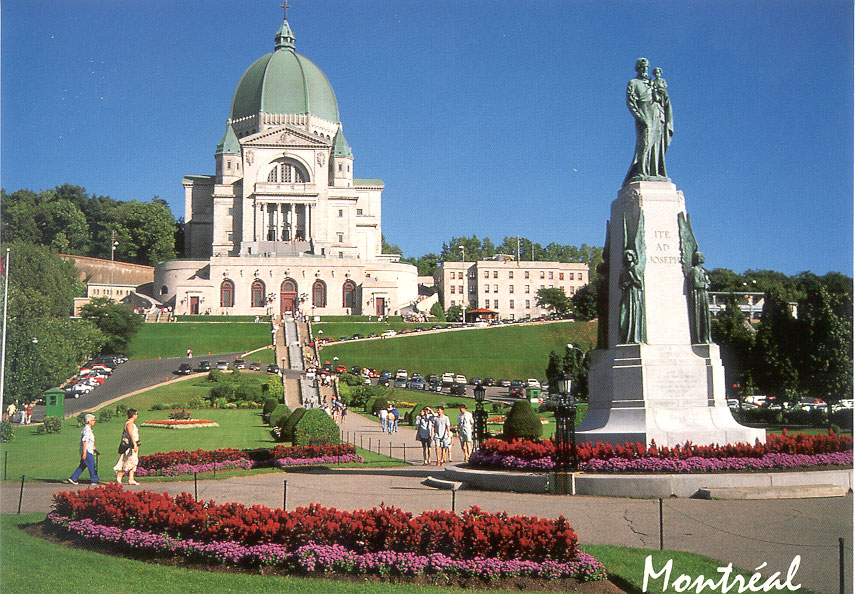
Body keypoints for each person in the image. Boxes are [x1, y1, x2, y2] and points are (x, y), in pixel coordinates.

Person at [68, 413, 99, 485]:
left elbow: (89, 441)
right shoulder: (86, 430)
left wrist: (94, 448)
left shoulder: (89, 429)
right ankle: (94, 480)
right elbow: (84, 441)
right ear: (89, 421)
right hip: (87, 450)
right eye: (93, 420)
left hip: (89, 449)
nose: (94, 421)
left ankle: (73, 477)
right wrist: (84, 453)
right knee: (91, 464)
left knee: (83, 465)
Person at [114, 409, 140, 485]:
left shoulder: (132, 423)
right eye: (136, 414)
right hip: (130, 446)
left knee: (134, 461)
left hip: (133, 444)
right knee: (130, 461)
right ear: (133, 415)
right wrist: (134, 444)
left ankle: (131, 479)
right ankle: (120, 474)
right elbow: (131, 434)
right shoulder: (129, 424)